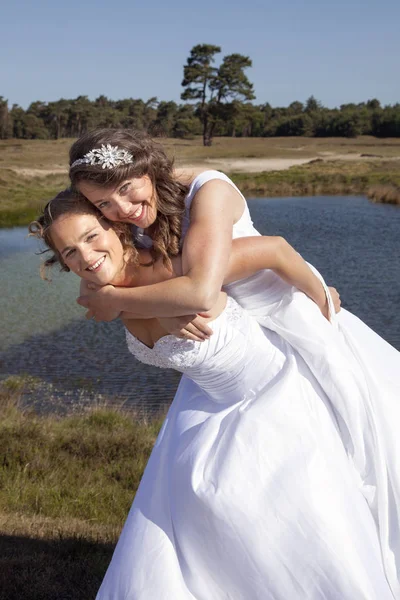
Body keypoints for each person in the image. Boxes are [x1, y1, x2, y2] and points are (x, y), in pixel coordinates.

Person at [69, 129, 400, 597]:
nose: (120, 209)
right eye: (103, 203)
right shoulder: (135, 220)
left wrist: (120, 303)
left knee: (345, 443)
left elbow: (204, 289)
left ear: (148, 169)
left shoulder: (210, 192)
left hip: (287, 321)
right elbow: (103, 272)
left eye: (126, 189)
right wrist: (147, 303)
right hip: (239, 336)